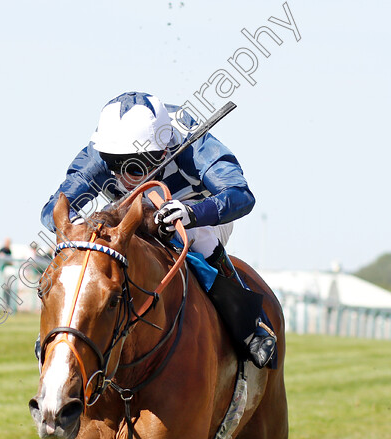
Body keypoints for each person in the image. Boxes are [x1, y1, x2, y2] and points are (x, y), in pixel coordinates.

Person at [40, 91, 276, 369]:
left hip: (200, 214)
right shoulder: (100, 152)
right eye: (113, 162)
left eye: (135, 166)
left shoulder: (192, 143)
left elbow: (240, 195)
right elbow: (54, 209)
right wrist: (82, 233)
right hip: (130, 212)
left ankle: (249, 324)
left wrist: (192, 213)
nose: (122, 175)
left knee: (200, 236)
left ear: (162, 153)